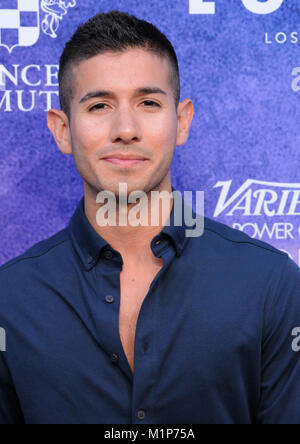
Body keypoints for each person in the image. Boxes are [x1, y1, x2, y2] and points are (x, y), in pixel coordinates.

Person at [0, 10, 299, 425]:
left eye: (149, 103)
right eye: (100, 105)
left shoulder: (272, 285)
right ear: (62, 130)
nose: (125, 128)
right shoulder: (10, 299)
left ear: (181, 122)